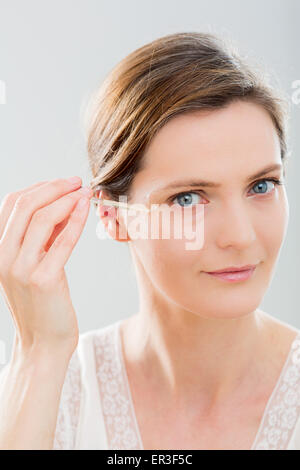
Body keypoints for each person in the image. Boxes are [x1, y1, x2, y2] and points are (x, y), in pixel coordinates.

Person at [0, 31, 300, 450]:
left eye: (262, 186)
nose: (241, 235)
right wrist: (40, 354)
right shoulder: (47, 393)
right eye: (188, 198)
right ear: (112, 215)